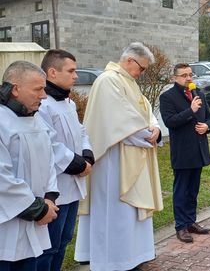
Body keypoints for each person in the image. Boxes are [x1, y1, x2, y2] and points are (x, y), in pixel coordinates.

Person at [74, 42, 163, 271]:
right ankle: (113, 260)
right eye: (141, 68)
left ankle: (132, 256)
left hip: (133, 155)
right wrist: (148, 135)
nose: (142, 74)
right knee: (116, 212)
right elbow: (120, 122)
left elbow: (146, 113)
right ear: (129, 61)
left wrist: (155, 129)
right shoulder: (108, 81)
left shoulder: (129, 82)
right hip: (114, 160)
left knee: (130, 213)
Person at [36, 50, 94, 271]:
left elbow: (81, 131)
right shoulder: (43, 104)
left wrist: (87, 155)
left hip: (73, 185)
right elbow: (48, 142)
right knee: (48, 246)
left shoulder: (67, 103)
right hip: (56, 186)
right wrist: (78, 164)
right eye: (71, 71)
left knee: (63, 241)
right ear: (52, 72)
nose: (76, 76)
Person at [0, 61, 59, 271]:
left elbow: (49, 161)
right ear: (15, 89)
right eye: (38, 89)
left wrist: (50, 197)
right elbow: (1, 178)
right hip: (6, 229)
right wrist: (36, 208)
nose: (44, 95)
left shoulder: (36, 120)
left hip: (36, 222)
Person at [160, 63, 210, 243]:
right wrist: (190, 110)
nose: (189, 78)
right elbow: (170, 122)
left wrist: (207, 126)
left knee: (193, 190)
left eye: (190, 74)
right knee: (181, 190)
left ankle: (191, 221)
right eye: (184, 75)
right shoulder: (167, 97)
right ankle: (181, 226)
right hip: (183, 151)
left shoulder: (198, 92)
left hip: (199, 149)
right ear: (175, 78)